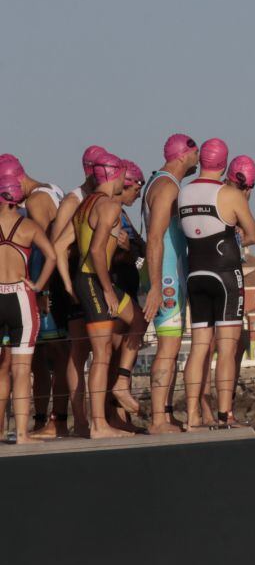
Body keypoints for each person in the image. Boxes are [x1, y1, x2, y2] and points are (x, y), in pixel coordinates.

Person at [178, 138, 255, 428]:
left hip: (195, 274)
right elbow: (252, 234)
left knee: (199, 347)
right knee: (226, 347)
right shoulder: (228, 194)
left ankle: (192, 415)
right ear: (224, 165)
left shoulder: (184, 193)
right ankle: (226, 414)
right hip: (224, 275)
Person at [68, 153, 148, 438]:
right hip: (93, 281)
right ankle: (99, 423)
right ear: (115, 176)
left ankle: (122, 382)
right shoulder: (109, 206)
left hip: (87, 279)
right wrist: (105, 289)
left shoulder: (84, 204)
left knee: (139, 321)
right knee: (101, 355)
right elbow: (96, 251)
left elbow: (72, 245)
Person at [0, 155, 71, 435]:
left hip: (9, 294)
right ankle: (29, 430)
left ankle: (10, 429)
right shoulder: (36, 212)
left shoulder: (36, 201)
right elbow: (51, 253)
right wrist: (39, 286)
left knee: (4, 366)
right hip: (23, 295)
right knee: (23, 367)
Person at [48, 145, 108, 437]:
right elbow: (55, 245)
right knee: (79, 352)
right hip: (75, 282)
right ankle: (82, 421)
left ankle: (102, 418)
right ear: (89, 170)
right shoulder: (74, 200)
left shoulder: (103, 198)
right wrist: (68, 285)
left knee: (101, 349)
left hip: (91, 283)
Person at [141, 134, 199, 434]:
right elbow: (154, 238)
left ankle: (163, 413)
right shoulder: (165, 188)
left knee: (172, 347)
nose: (198, 157)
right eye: (195, 152)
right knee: (167, 347)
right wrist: (154, 286)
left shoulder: (161, 183)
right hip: (165, 279)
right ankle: (157, 419)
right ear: (182, 155)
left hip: (168, 276)